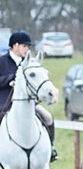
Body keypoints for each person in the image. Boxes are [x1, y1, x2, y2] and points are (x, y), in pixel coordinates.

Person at [0, 30, 58, 161]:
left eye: (28, 47)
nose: (27, 49)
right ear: (15, 45)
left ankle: (51, 149)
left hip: (27, 102)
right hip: (4, 102)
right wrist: (9, 79)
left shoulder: (29, 63)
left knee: (48, 117)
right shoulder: (2, 61)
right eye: (24, 46)